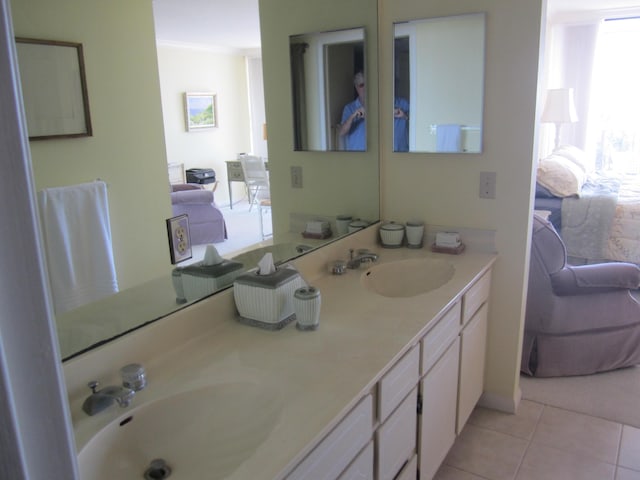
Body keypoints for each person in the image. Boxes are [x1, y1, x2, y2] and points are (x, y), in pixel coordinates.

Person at [339, 72, 366, 151]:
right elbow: (342, 132)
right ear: (356, 88)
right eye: (362, 85)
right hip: (357, 156)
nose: (365, 88)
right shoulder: (349, 108)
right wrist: (353, 116)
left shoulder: (378, 106)